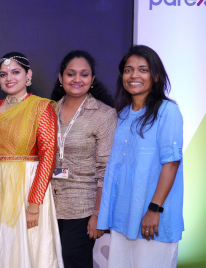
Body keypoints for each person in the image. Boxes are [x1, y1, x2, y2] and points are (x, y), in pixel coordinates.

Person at [97, 45, 184, 268]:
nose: (134, 75)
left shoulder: (167, 111)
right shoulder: (123, 115)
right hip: (122, 220)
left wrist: (154, 210)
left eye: (143, 70)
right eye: (128, 70)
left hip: (152, 219)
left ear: (155, 75)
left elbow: (171, 163)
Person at [0, 52, 62, 268]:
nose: (9, 78)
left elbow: (48, 156)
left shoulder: (41, 107)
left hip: (29, 187)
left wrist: (33, 206)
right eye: (3, 74)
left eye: (15, 72)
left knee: (28, 247)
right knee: (0, 246)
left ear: (28, 75)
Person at [49, 50, 117, 268]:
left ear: (92, 79)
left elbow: (106, 170)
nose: (77, 79)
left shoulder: (104, 115)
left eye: (84, 74)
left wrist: (98, 215)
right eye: (71, 74)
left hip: (83, 208)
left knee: (72, 261)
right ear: (61, 78)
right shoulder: (48, 110)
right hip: (48, 206)